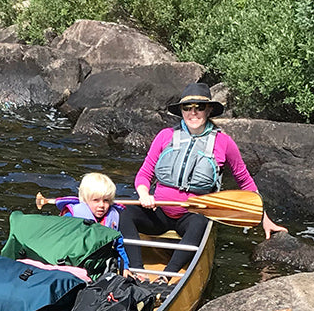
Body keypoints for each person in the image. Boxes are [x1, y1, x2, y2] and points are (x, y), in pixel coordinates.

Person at [121, 82, 285, 275]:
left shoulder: (224, 142)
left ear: (208, 110)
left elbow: (245, 182)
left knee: (200, 221)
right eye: (187, 108)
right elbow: (144, 173)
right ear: (181, 111)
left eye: (199, 107)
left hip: (191, 217)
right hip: (160, 212)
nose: (193, 113)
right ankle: (136, 270)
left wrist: (264, 218)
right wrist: (143, 194)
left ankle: (168, 275)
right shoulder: (165, 136)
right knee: (127, 214)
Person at [54, 171, 129, 271]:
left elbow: (118, 245)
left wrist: (124, 268)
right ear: (85, 200)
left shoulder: (112, 217)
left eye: (106, 200)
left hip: (98, 264)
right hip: (73, 264)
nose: (101, 205)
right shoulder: (72, 216)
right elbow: (60, 243)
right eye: (96, 200)